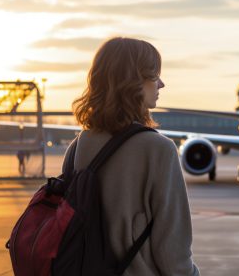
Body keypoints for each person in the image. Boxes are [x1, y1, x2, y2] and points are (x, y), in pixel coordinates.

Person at [63, 37, 200, 275]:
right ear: (134, 81)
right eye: (155, 76)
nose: (162, 84)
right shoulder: (159, 150)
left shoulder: (77, 147)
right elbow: (172, 254)